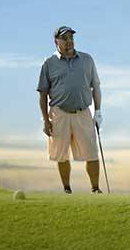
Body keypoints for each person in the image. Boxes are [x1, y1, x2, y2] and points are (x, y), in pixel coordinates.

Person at [37, 26, 104, 193]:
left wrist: (98, 111)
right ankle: (67, 189)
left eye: (71, 38)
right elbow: (43, 94)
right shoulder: (48, 64)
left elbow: (95, 86)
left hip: (83, 112)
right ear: (56, 41)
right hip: (59, 113)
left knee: (92, 152)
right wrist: (46, 121)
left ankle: (95, 189)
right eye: (65, 38)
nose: (69, 41)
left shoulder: (87, 60)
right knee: (61, 154)